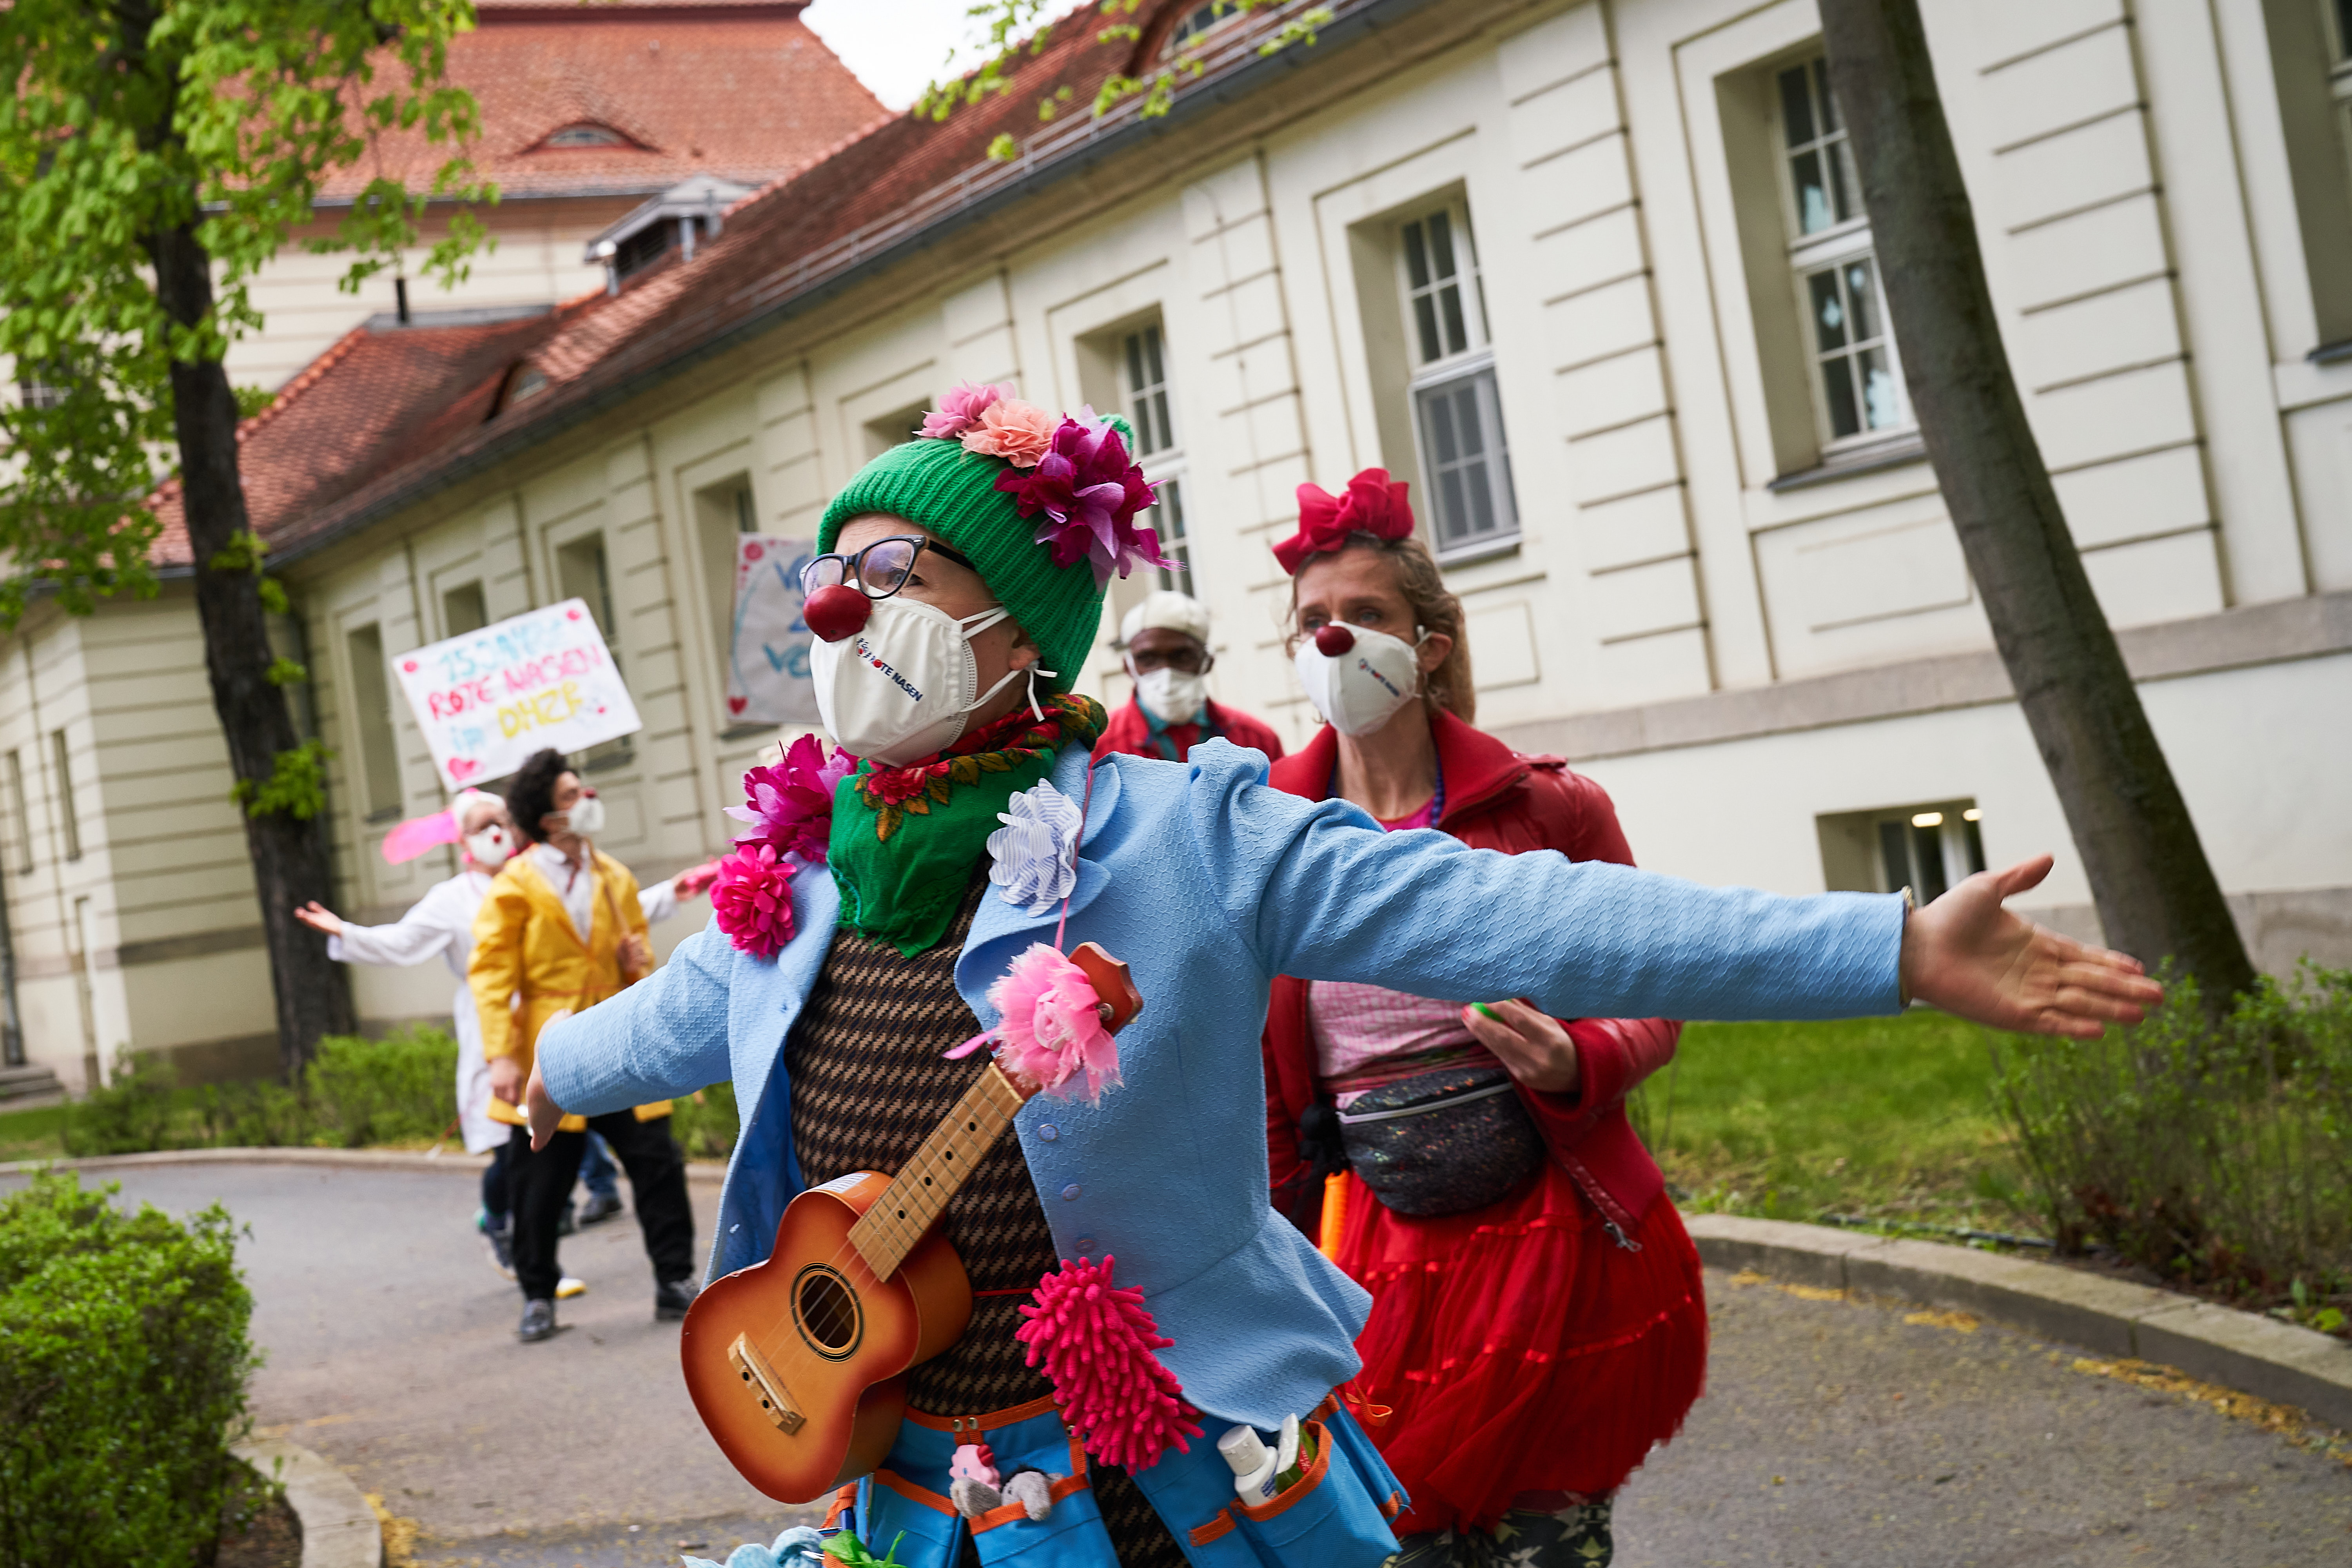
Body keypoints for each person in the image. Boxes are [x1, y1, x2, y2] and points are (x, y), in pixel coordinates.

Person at [518, 386, 2157, 1568]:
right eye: (832, 574)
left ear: (1020, 623)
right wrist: (547, 1070)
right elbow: (676, 1018)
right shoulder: (805, 865)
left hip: (1156, 1486)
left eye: (892, 578)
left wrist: (1887, 945)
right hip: (912, 1485)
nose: (835, 609)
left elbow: (1535, 922)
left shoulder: (1191, 835)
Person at [1259, 468, 1690, 1566]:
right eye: (1314, 623)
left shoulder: (1549, 809)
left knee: (1546, 1540)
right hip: (1371, 1245)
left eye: (1366, 616)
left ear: (1433, 640)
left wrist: (1573, 1057)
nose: (1337, 642)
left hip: (1548, 1235)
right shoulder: (1264, 842)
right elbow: (1254, 1077)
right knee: (1399, 1542)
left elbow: (1653, 990)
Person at [294, 794, 715, 1278]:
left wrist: (675, 891)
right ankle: (511, 1234)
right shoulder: (454, 899)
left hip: (568, 1026)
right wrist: (346, 933)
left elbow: (609, 908)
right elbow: (402, 942)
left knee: (609, 1145)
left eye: (501, 820)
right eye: (482, 824)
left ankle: (642, 1259)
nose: (495, 831)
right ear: (463, 841)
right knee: (519, 1151)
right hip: (502, 1038)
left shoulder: (549, 874)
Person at [471, 749, 701, 1343]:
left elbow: (638, 957)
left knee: (657, 1163)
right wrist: (500, 1055)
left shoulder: (614, 876)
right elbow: (492, 972)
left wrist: (637, 961)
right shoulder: (514, 886)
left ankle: (676, 1281)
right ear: (548, 817)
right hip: (548, 1048)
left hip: (616, 1035)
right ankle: (538, 1294)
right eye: (574, 796)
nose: (588, 802)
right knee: (540, 1180)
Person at [1092, 588, 1286, 763]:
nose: (1166, 672)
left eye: (1182, 657)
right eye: (1148, 659)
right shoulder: (1100, 748)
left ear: (1207, 663)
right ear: (1129, 666)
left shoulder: (1257, 741)